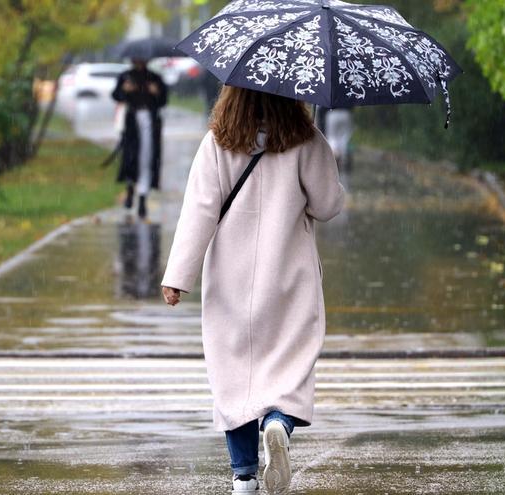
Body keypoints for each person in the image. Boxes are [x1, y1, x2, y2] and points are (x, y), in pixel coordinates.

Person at [160, 86, 344, 494]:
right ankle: (279, 423)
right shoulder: (305, 140)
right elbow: (328, 205)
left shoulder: (218, 143)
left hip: (231, 281)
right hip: (289, 280)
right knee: (289, 368)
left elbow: (199, 210)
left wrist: (177, 277)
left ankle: (243, 476)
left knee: (234, 378)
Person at [112, 58, 168, 219]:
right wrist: (125, 90)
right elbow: (116, 95)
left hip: (149, 123)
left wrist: (156, 92)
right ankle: (130, 188)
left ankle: (142, 198)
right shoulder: (126, 77)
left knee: (146, 159)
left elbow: (163, 100)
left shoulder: (154, 78)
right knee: (130, 158)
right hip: (131, 124)